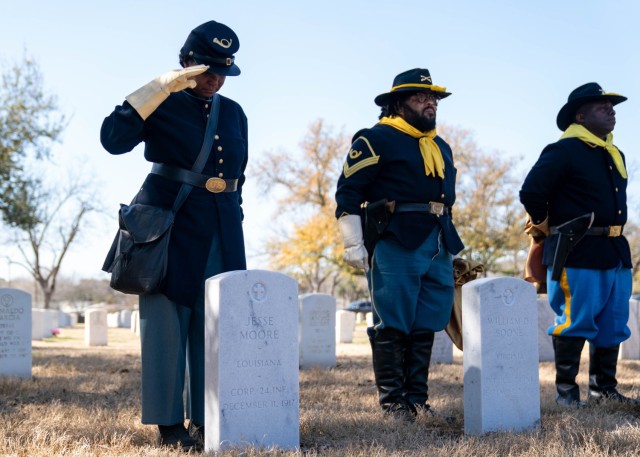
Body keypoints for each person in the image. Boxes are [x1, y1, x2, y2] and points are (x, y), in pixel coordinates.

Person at [100, 20, 248, 450]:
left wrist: (234, 221)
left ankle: (208, 418)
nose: (214, 79)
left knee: (214, 326)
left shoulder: (235, 113)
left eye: (222, 72)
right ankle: (169, 424)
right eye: (205, 70)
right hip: (168, 223)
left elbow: (238, 173)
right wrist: (156, 89)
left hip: (221, 224)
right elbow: (112, 140)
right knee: (165, 324)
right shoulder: (160, 102)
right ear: (185, 63)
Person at [335, 68, 464, 422]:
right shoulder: (376, 138)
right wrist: (353, 243)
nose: (430, 103)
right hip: (395, 237)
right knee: (393, 319)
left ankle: (416, 398)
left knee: (428, 320)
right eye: (420, 97)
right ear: (397, 103)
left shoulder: (441, 146)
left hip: (437, 238)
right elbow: (347, 192)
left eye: (433, 98)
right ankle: (393, 402)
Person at [520, 82, 636, 407]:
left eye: (612, 106)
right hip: (577, 251)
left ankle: (603, 390)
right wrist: (554, 226)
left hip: (614, 251)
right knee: (574, 321)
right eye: (602, 106)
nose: (611, 110)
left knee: (613, 323)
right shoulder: (563, 150)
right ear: (580, 115)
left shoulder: (614, 152)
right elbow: (531, 192)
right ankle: (567, 394)